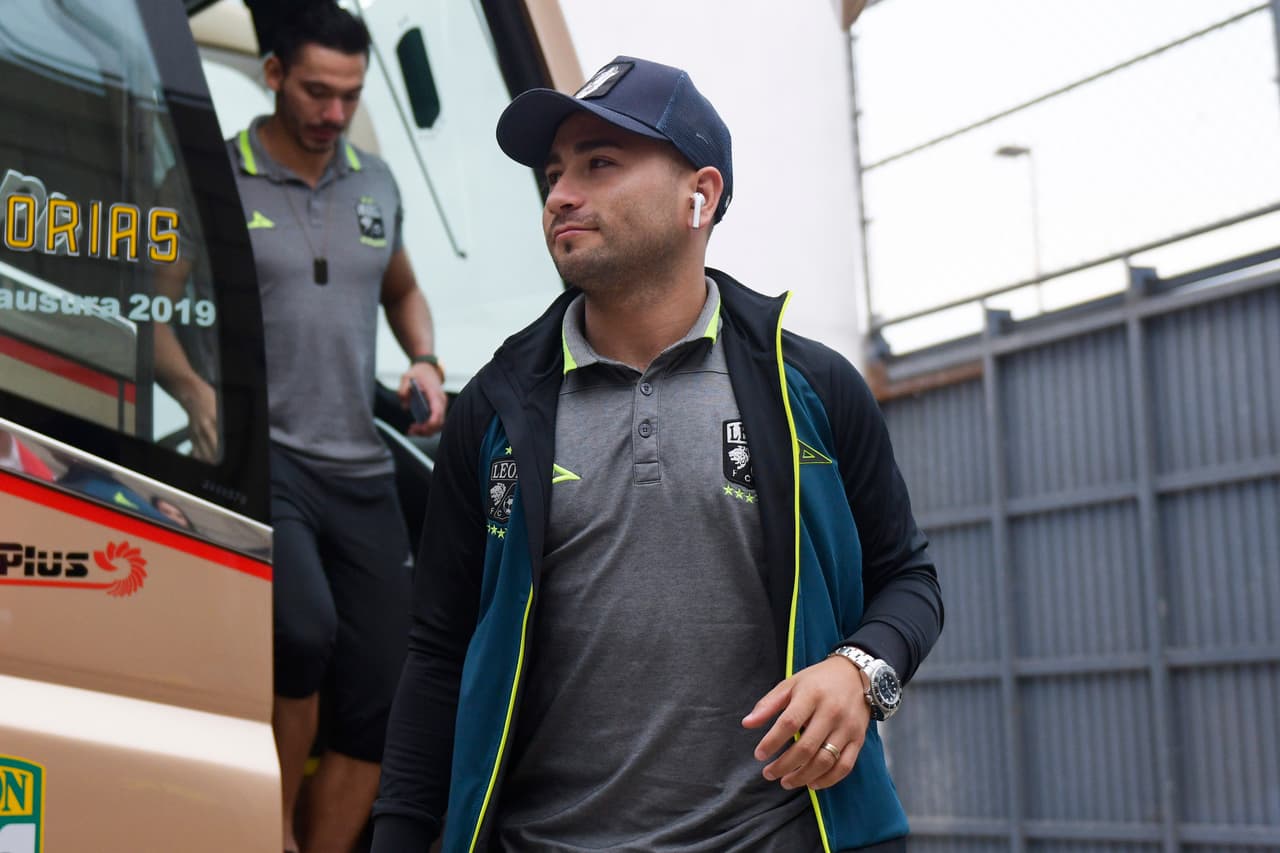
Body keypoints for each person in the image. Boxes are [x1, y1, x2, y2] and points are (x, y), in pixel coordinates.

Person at [372, 56, 942, 853]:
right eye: (554, 173)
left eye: (599, 164)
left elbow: (909, 578)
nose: (560, 195)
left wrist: (860, 669)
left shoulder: (810, 387)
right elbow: (438, 651)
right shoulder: (494, 409)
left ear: (699, 196)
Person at [226, 4, 447, 851]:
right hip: (267, 455)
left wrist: (424, 358)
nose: (334, 112)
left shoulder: (374, 183)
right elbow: (163, 310)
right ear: (274, 75)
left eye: (350, 96)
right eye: (317, 91)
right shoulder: (222, 172)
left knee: (384, 693)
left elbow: (402, 289)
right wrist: (199, 396)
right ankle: (269, 831)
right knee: (303, 630)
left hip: (360, 466)